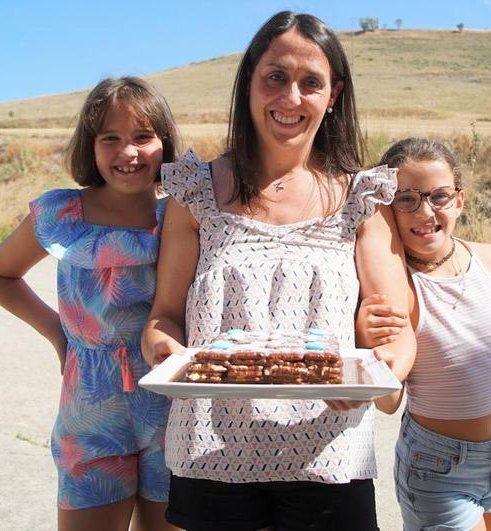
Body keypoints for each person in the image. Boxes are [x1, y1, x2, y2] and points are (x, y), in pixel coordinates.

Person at [141, 11, 415, 531]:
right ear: (248, 83)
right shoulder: (194, 193)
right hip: (211, 456)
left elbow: (398, 335)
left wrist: (377, 376)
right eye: (275, 77)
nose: (291, 97)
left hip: (332, 460)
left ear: (333, 96)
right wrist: (164, 352)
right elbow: (164, 317)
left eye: (311, 83)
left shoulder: (362, 199)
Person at [0, 77, 182, 531]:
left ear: (164, 142)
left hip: (172, 403)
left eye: (142, 137)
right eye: (109, 138)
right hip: (90, 408)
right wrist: (59, 335)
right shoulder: (62, 214)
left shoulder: (181, 217)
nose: (127, 153)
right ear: (89, 147)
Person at [357, 138, 491, 531]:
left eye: (439, 196)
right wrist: (368, 348)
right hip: (437, 467)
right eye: (407, 199)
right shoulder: (399, 287)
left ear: (460, 200)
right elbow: (389, 403)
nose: (425, 211)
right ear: (387, 208)